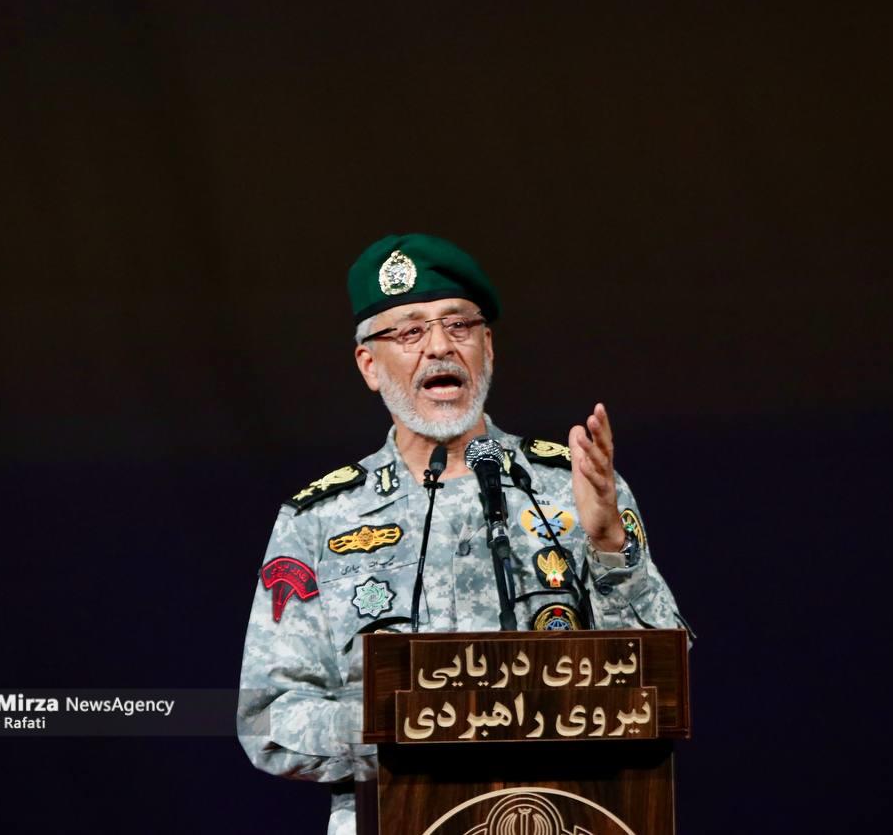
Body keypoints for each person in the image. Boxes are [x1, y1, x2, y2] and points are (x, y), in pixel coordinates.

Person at [237, 233, 688, 835]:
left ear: (488, 348)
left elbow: (659, 684)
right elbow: (268, 719)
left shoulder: (573, 486)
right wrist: (416, 727)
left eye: (459, 326)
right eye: (409, 332)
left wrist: (608, 545)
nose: (439, 347)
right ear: (369, 365)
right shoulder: (318, 519)